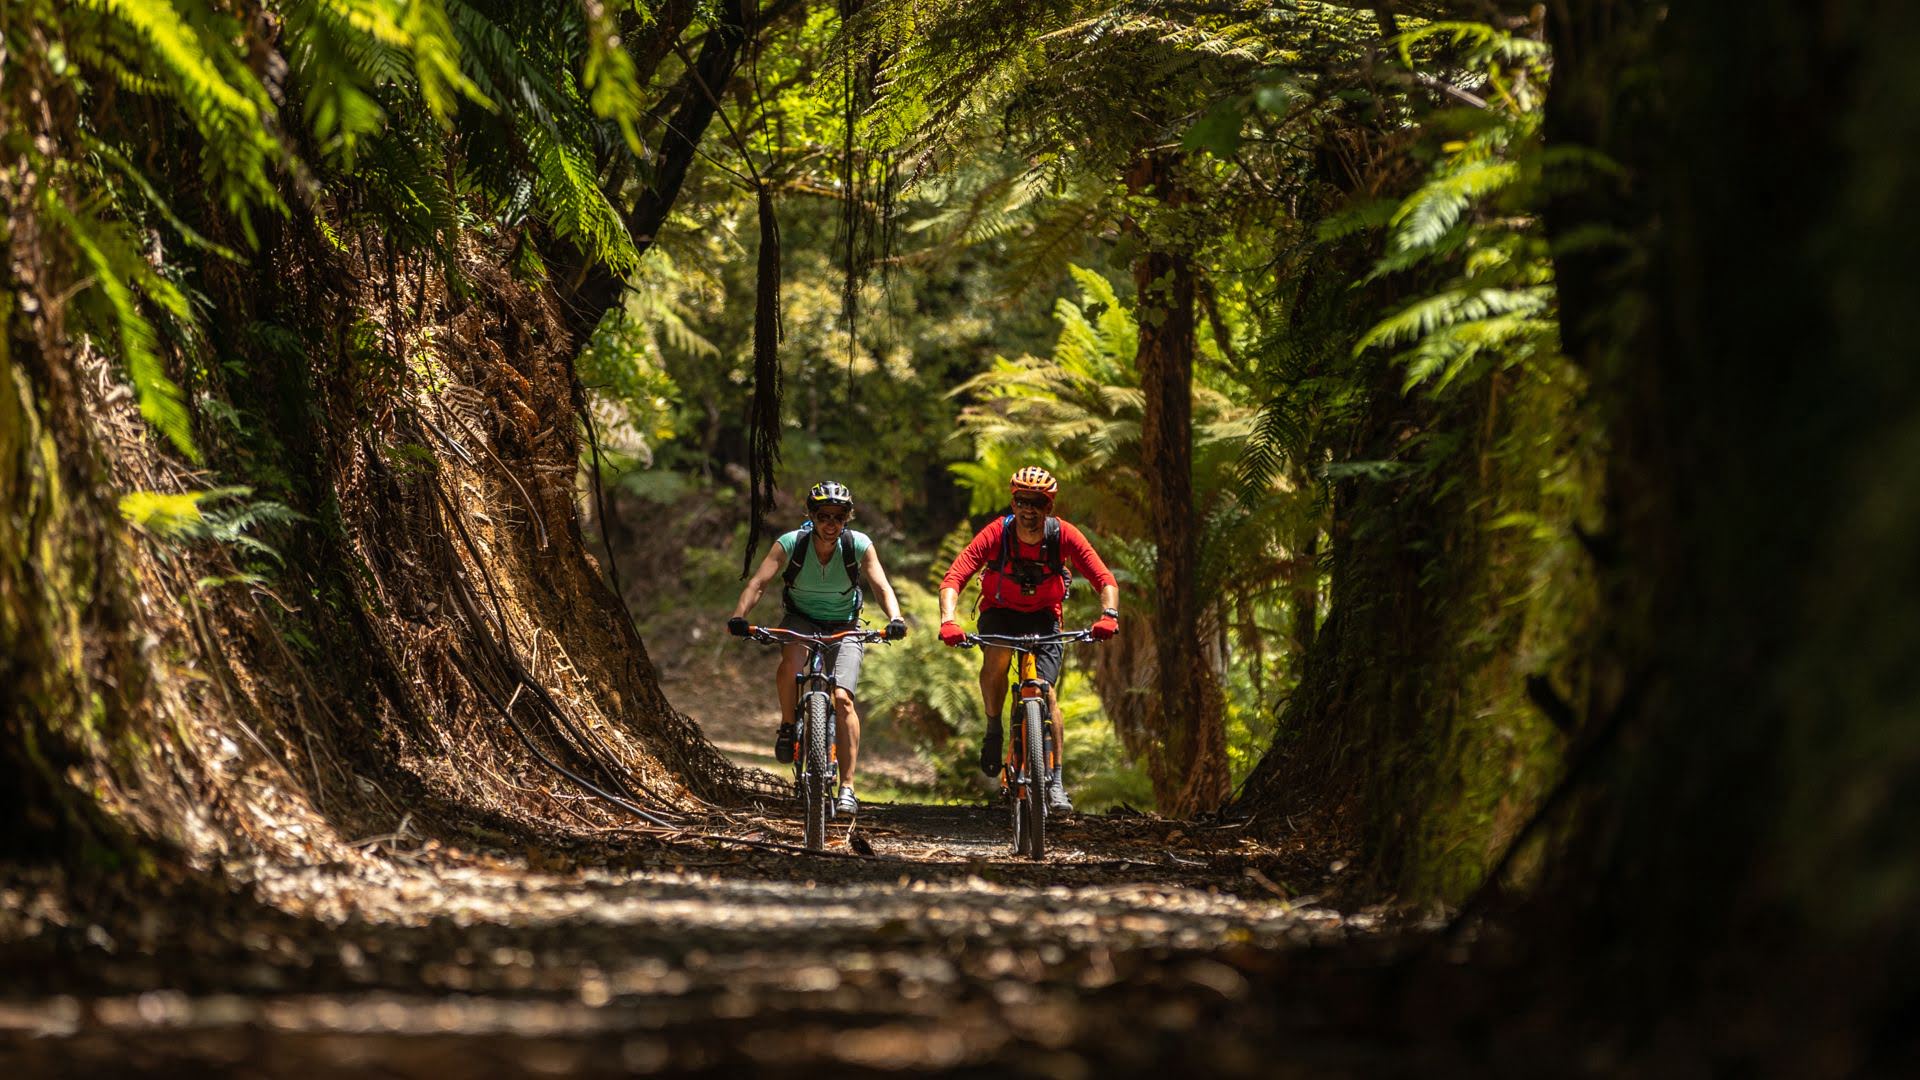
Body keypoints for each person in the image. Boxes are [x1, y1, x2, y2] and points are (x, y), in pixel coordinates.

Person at [937, 466, 1119, 813]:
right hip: (1000, 611)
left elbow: (1104, 579)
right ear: (1013, 502)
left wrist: (1108, 616)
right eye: (1022, 501)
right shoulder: (996, 533)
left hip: (1044, 616)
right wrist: (948, 620)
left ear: (1048, 506)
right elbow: (954, 578)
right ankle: (994, 728)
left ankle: (1056, 782)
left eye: (1037, 502)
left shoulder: (1063, 535)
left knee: (1046, 693)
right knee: (999, 656)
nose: (1028, 509)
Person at [728, 481, 906, 817]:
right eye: (824, 516)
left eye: (839, 517)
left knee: (844, 700)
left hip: (845, 626)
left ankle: (848, 787)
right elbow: (759, 583)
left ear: (847, 519)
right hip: (801, 619)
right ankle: (786, 725)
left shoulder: (859, 546)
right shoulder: (791, 544)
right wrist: (740, 617)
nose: (831, 524)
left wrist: (895, 617)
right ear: (811, 516)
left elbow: (881, 586)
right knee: (791, 664)